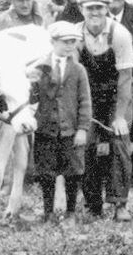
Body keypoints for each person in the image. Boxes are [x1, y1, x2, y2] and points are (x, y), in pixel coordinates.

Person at [75, 0, 133, 220]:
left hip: (115, 96)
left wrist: (119, 116)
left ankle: (120, 204)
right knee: (84, 143)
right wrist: (82, 117)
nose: (95, 12)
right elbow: (74, 78)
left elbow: (126, 78)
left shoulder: (119, 34)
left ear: (107, 9)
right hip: (87, 97)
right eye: (90, 8)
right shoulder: (75, 35)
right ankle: (92, 205)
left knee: (119, 140)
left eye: (99, 7)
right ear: (81, 9)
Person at [32, 21, 93, 220]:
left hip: (70, 131)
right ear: (53, 41)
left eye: (73, 42)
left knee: (73, 172)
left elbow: (85, 101)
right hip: (46, 129)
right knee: (46, 172)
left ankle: (70, 212)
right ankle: (48, 212)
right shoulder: (40, 67)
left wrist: (83, 129)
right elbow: (32, 97)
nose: (69, 46)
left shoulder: (78, 70)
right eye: (64, 42)